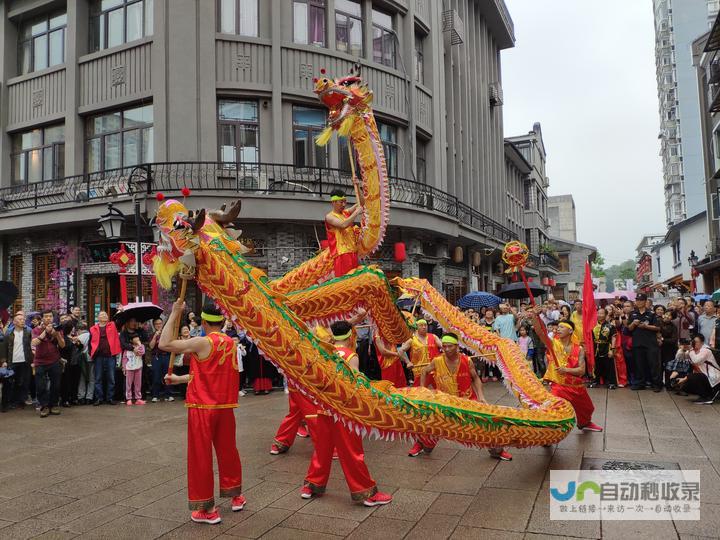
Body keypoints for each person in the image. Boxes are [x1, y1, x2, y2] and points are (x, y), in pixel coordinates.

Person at [162, 301, 245, 525]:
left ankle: (206, 508)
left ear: (204, 321)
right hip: (225, 407)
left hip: (202, 408)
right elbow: (208, 376)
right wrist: (178, 379)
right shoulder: (230, 342)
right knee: (228, 451)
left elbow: (164, 343)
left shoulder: (201, 342)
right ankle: (236, 495)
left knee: (200, 456)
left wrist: (174, 313)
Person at [300, 320, 392, 506]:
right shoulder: (351, 356)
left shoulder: (325, 352)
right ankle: (365, 492)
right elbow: (354, 386)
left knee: (322, 449)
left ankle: (312, 486)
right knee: (352, 451)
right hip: (343, 411)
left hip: (324, 407)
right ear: (351, 336)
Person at [407, 332, 513, 461]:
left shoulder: (467, 361)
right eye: (444, 346)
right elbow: (424, 371)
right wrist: (422, 390)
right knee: (431, 423)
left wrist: (481, 396)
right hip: (444, 401)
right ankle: (422, 445)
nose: (446, 349)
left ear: (457, 346)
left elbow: (475, 378)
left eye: (450, 346)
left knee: (484, 423)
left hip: (467, 399)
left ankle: (497, 450)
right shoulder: (437, 361)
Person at [537, 318, 603, 432]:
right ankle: (547, 433)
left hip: (575, 385)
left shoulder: (579, 349)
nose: (558, 329)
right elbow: (540, 332)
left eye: (562, 327)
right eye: (558, 327)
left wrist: (566, 370)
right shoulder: (553, 344)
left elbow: (581, 371)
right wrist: (534, 316)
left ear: (570, 331)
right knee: (554, 407)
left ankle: (584, 423)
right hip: (559, 384)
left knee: (587, 408)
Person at [31, 310, 66, 417]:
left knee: (56, 385)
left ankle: (54, 405)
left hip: (54, 360)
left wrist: (57, 335)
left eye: (50, 316)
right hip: (40, 362)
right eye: (46, 316)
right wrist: (45, 331)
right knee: (41, 386)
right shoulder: (36, 330)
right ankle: (44, 406)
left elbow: (62, 345)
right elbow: (34, 342)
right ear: (42, 318)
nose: (48, 318)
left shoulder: (57, 329)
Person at [625, 293, 662, 392]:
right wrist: (633, 323)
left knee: (653, 364)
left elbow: (658, 327)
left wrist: (646, 326)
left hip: (650, 343)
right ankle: (640, 383)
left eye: (641, 300)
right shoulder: (633, 314)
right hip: (637, 343)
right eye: (637, 300)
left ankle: (656, 384)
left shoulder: (651, 314)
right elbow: (629, 328)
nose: (639, 302)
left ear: (645, 301)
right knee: (638, 365)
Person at [325, 189, 365, 277]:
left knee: (355, 281)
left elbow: (362, 203)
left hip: (353, 252)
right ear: (334, 202)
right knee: (346, 282)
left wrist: (358, 186)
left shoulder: (345, 213)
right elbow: (343, 224)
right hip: (342, 254)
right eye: (341, 202)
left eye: (345, 202)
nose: (344, 204)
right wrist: (356, 213)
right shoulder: (329, 217)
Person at [0, 310, 33, 409]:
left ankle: (20, 401)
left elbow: (32, 346)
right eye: (19, 319)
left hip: (25, 361)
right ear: (14, 322)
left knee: (23, 382)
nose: (22, 321)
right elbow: (3, 347)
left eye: (23, 319)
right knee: (8, 383)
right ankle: (5, 403)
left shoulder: (28, 332)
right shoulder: (8, 333)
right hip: (11, 361)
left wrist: (32, 360)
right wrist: (3, 361)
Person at [675, 334, 720, 404]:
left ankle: (707, 397)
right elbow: (679, 359)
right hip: (704, 378)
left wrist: (690, 350)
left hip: (714, 379)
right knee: (685, 387)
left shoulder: (706, 351)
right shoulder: (692, 351)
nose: (694, 343)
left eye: (696, 342)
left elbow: (696, 361)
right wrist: (682, 350)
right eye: (693, 341)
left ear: (702, 343)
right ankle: (705, 394)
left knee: (693, 377)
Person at [90, 311, 121, 406]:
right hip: (98, 356)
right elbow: (90, 342)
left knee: (111, 378)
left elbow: (120, 321)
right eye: (101, 315)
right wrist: (91, 353)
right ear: (98, 317)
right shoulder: (92, 328)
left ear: (108, 317)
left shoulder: (112, 325)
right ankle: (99, 398)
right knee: (98, 378)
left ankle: (110, 398)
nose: (104, 316)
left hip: (110, 356)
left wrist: (120, 312)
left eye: (105, 315)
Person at [399, 319, 441, 387]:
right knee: (420, 393)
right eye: (421, 325)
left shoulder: (433, 336)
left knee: (437, 393)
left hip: (434, 371)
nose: (424, 327)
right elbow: (400, 351)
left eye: (425, 325)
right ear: (417, 327)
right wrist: (408, 362)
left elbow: (443, 346)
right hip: (419, 372)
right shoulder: (412, 339)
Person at [149, 318, 173, 402]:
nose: (158, 325)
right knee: (156, 376)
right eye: (156, 324)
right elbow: (151, 346)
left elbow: (170, 344)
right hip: (156, 357)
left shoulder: (166, 333)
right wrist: (155, 336)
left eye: (160, 323)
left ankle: (168, 394)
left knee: (168, 375)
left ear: (162, 324)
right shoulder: (152, 334)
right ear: (154, 325)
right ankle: (155, 395)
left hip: (166, 355)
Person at [591, 308, 616, 389]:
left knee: (608, 366)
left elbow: (613, 338)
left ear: (606, 315)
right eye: (598, 313)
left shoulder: (610, 326)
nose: (599, 315)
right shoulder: (593, 325)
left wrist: (612, 349)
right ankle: (595, 381)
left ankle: (611, 382)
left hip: (606, 347)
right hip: (596, 348)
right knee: (596, 366)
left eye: (601, 313)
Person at [122, 335, 146, 405]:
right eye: (135, 338)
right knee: (128, 384)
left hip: (138, 368)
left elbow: (142, 352)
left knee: (138, 384)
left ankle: (138, 398)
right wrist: (124, 368)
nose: (137, 339)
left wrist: (139, 344)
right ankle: (128, 398)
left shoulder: (141, 346)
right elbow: (124, 358)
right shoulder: (127, 348)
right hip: (129, 368)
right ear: (131, 340)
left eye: (138, 338)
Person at [659, 311, 679, 387]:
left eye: (670, 315)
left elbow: (674, 340)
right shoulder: (658, 323)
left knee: (668, 367)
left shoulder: (673, 327)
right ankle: (659, 383)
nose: (667, 316)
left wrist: (663, 339)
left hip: (670, 349)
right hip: (659, 349)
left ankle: (668, 384)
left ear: (672, 318)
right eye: (666, 314)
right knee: (659, 367)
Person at [75, 322, 93, 405]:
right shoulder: (91, 335)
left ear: (79, 330)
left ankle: (81, 397)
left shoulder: (78, 337)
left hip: (82, 359)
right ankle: (89, 397)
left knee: (82, 378)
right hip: (91, 358)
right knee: (92, 378)